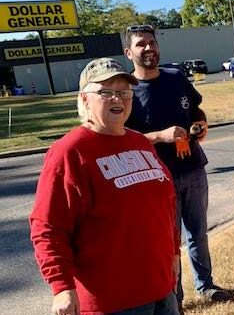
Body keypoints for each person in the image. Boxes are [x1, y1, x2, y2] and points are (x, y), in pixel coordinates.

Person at [30, 58, 180, 315]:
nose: (117, 99)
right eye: (105, 92)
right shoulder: (70, 152)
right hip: (112, 301)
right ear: (85, 99)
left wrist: (174, 253)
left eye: (124, 92)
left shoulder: (140, 143)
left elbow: (164, 205)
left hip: (161, 289)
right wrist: (61, 286)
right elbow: (48, 227)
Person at [123, 25, 230, 308]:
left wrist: (200, 125)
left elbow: (196, 112)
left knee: (198, 234)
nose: (149, 48)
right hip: (158, 179)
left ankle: (205, 286)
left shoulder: (176, 78)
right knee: (168, 244)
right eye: (141, 44)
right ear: (128, 52)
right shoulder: (128, 92)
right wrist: (160, 136)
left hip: (193, 168)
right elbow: (125, 141)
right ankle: (175, 299)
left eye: (152, 42)